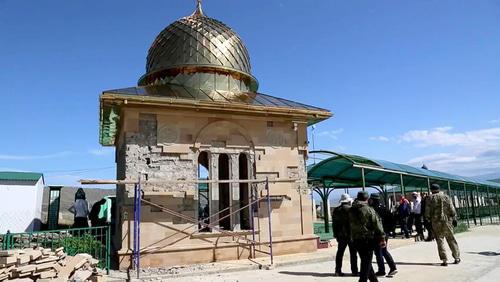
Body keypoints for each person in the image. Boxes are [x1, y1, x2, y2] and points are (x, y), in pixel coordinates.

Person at [349, 191, 386, 282]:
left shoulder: (351, 209)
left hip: (356, 239)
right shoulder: (369, 209)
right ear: (367, 199)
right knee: (366, 262)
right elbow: (377, 225)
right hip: (367, 239)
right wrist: (382, 238)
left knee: (366, 261)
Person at [424, 184, 461, 266]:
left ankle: (444, 260)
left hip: (436, 222)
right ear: (439, 189)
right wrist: (454, 217)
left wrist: (428, 219)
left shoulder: (430, 198)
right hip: (447, 221)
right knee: (451, 239)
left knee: (440, 240)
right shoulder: (446, 197)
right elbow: (452, 209)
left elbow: (427, 211)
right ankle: (456, 257)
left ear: (432, 189)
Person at [369, 194, 398, 277]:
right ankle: (393, 267)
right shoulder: (384, 208)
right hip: (385, 233)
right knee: (384, 251)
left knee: (378, 252)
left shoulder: (373, 210)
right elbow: (392, 220)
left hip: (377, 234)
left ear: (372, 200)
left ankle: (382, 270)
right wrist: (389, 231)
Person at [332, 194, 358, 276]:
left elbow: (334, 224)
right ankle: (354, 271)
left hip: (340, 235)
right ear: (348, 201)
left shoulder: (336, 210)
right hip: (351, 235)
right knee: (353, 254)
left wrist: (335, 234)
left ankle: (337, 270)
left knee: (340, 253)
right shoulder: (351, 210)